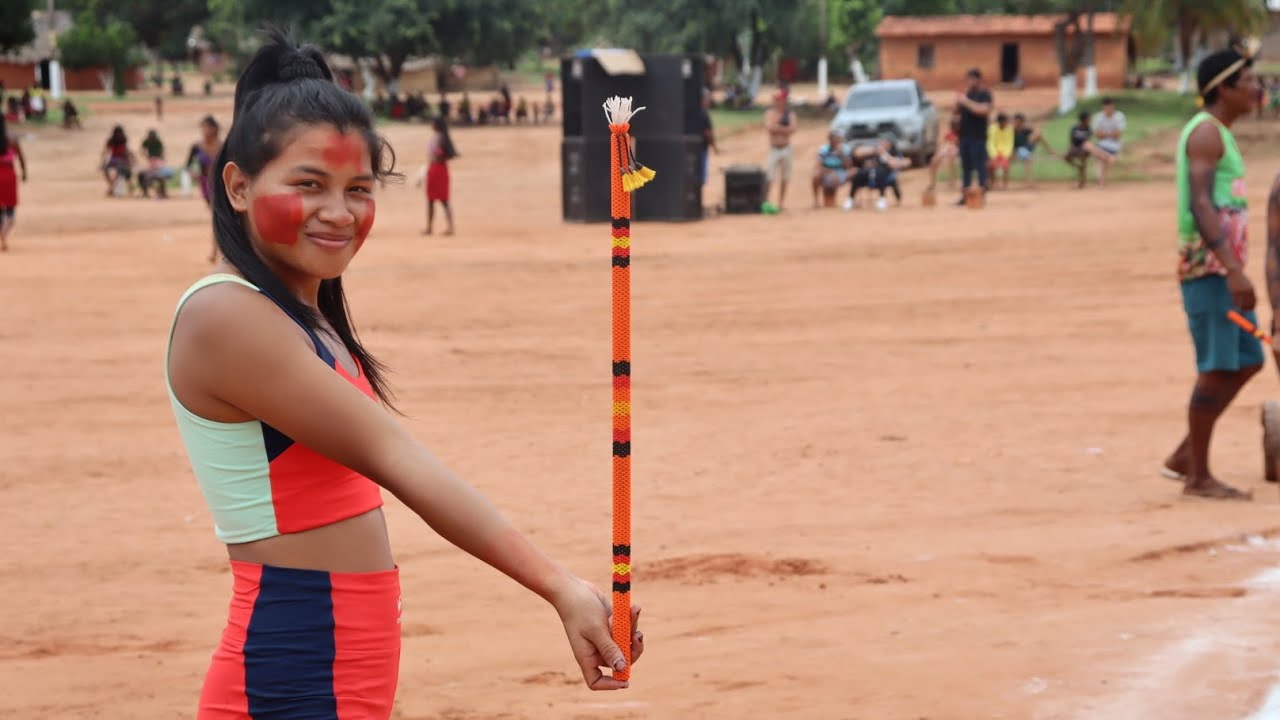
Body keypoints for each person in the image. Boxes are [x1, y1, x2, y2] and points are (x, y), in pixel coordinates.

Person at [167, 32, 643, 717]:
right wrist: (560, 586)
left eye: (358, 189)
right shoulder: (227, 317)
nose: (340, 212)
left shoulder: (301, 314)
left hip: (334, 660)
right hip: (295, 667)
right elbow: (395, 456)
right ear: (238, 185)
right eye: (309, 185)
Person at [1162, 47, 1262, 501]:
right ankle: (1197, 477)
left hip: (1223, 272)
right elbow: (1200, 204)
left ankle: (1186, 454)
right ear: (1224, 87)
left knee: (1248, 359)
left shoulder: (1219, 133)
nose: (1258, 87)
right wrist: (1234, 269)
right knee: (1216, 366)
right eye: (1249, 80)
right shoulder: (1205, 133)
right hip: (1210, 272)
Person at [187, 115, 225, 262]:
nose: (205, 130)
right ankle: (218, 252)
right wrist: (193, 173)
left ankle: (217, 251)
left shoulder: (223, 146)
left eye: (208, 127)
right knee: (216, 216)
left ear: (215, 129)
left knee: (217, 216)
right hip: (206, 185)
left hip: (221, 184)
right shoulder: (197, 147)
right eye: (203, 127)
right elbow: (189, 164)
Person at [954, 68, 993, 205]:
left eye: (972, 79)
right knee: (965, 167)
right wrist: (958, 103)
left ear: (978, 79)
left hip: (978, 137)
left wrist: (965, 102)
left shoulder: (985, 94)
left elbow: (984, 110)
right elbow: (957, 114)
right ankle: (966, 195)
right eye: (968, 79)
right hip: (964, 136)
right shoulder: (967, 94)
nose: (969, 82)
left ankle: (981, 195)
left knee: (980, 166)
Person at [848, 136, 909, 211]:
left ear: (890, 144)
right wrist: (873, 151)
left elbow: (899, 163)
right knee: (858, 174)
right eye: (882, 141)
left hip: (884, 175)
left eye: (886, 141)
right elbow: (857, 153)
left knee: (880, 174)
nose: (883, 143)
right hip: (869, 174)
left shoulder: (894, 152)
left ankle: (882, 199)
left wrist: (884, 154)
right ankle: (850, 199)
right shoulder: (875, 150)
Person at [762, 90, 796, 210]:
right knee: (770, 176)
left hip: (786, 148)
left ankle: (781, 203)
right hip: (774, 148)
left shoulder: (789, 114)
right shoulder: (770, 113)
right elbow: (769, 128)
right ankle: (766, 201)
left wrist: (777, 127)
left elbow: (792, 129)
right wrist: (783, 128)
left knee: (785, 177)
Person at [1063, 111, 1114, 189]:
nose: (1089, 120)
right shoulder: (1074, 128)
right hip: (1075, 148)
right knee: (1068, 157)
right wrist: (1071, 150)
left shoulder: (1088, 128)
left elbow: (1093, 137)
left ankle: (1105, 157)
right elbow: (1071, 142)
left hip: (1085, 149)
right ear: (1084, 120)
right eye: (1088, 119)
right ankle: (1106, 157)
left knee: (1087, 146)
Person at [0, 114, 28, 252]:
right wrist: (24, 173)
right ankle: (3, 235)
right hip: (9, 178)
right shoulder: (12, 140)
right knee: (10, 211)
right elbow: (22, 158)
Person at [424, 116, 457, 235]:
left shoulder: (440, 138)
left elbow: (442, 154)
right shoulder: (440, 137)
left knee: (440, 200)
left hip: (438, 168)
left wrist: (439, 157)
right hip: (436, 169)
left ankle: (435, 227)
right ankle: (432, 227)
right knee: (434, 200)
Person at [923, 114, 961, 202]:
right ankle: (932, 183)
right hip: (947, 149)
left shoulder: (961, 134)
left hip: (955, 151)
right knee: (934, 160)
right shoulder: (948, 134)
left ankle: (952, 182)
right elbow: (944, 145)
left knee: (951, 157)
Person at [1011, 113, 1054, 188]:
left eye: (1019, 122)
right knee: (1028, 158)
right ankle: (1029, 181)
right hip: (1017, 150)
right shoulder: (1011, 131)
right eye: (1016, 121)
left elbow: (1036, 133)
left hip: (1025, 148)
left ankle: (1050, 151)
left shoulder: (1025, 130)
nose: (1017, 123)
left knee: (1038, 135)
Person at [1091, 97, 1126, 187]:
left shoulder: (1119, 116)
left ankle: (1101, 181)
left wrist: (1104, 134)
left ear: (1112, 107)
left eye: (1109, 107)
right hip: (1102, 144)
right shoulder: (1098, 117)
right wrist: (1111, 134)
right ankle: (1109, 159)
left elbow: (1118, 134)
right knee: (1097, 155)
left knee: (1101, 159)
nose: (1107, 110)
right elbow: (1096, 134)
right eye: (1105, 108)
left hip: (1115, 145)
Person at [812, 130, 851, 208]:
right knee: (816, 175)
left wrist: (841, 154)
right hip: (827, 172)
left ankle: (851, 200)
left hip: (841, 173)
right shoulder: (824, 149)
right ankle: (816, 201)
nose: (837, 140)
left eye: (838, 138)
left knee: (854, 172)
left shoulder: (845, 149)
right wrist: (831, 172)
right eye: (835, 138)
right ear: (830, 139)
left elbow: (849, 166)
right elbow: (817, 165)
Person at [138, 129, 174, 199]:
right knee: (149, 176)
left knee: (156, 176)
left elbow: (161, 151)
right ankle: (154, 191)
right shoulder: (151, 141)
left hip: (156, 161)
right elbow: (143, 149)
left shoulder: (156, 142)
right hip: (153, 160)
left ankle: (160, 191)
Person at [101, 125, 135, 196]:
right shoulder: (115, 140)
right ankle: (113, 186)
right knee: (119, 171)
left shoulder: (122, 140)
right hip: (118, 159)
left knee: (120, 171)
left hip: (119, 159)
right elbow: (107, 151)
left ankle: (111, 187)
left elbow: (125, 150)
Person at [696, 88, 718, 192]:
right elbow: (708, 133)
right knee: (700, 176)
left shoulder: (693, 112)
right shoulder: (704, 114)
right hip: (701, 149)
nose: (709, 101)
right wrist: (714, 147)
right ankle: (697, 202)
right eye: (707, 99)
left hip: (692, 147)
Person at [986, 112, 1014, 191]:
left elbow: (1010, 143)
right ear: (1000, 121)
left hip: (1005, 153)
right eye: (1005, 121)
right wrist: (994, 154)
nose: (1006, 123)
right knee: (990, 166)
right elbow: (990, 143)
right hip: (994, 152)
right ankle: (992, 183)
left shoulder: (1009, 129)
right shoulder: (992, 129)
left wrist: (1006, 154)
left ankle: (1005, 185)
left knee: (1005, 165)